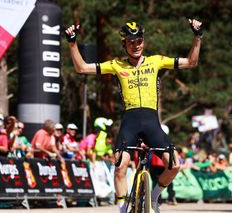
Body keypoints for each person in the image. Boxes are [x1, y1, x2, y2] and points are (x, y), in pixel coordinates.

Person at [65, 18, 202, 213]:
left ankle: (154, 198)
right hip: (130, 122)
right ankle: (122, 208)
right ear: (124, 44)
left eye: (139, 41)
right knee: (120, 166)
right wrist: (72, 43)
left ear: (143, 42)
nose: (136, 45)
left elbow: (191, 62)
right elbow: (82, 68)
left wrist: (197, 36)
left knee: (174, 165)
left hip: (152, 123)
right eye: (131, 42)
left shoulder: (156, 61)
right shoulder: (116, 65)